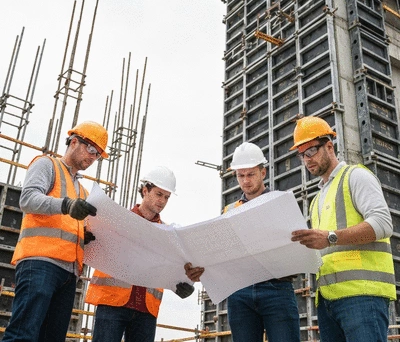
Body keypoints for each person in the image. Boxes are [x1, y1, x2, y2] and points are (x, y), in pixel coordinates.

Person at [290, 116, 396, 342]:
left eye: (311, 151)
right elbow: (324, 249)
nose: (306, 160)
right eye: (301, 155)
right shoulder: (316, 200)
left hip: (362, 296)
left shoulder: (355, 176)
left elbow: (383, 224)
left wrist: (330, 237)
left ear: (329, 146)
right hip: (328, 300)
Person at [3, 121, 108, 342]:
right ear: (74, 141)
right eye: (91, 149)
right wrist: (67, 205)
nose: (93, 157)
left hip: (69, 274)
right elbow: (28, 199)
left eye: (98, 154)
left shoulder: (83, 190)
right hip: (41, 263)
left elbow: (70, 224)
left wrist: (85, 235)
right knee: (23, 334)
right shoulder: (47, 165)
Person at [186, 141, 301, 342]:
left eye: (250, 174)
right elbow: (220, 253)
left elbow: (296, 247)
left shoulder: (280, 203)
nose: (245, 181)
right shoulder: (229, 212)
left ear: (263, 173)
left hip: (277, 289)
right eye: (241, 175)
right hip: (240, 293)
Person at [85, 165, 195, 342]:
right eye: (159, 194)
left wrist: (182, 284)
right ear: (145, 190)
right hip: (113, 302)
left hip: (146, 309)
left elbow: (171, 268)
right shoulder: (116, 220)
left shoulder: (167, 235)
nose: (162, 201)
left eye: (166, 197)